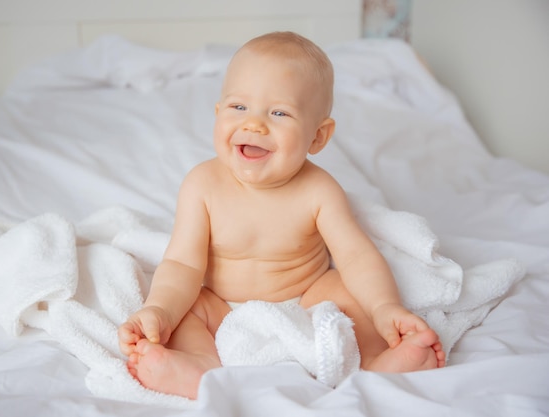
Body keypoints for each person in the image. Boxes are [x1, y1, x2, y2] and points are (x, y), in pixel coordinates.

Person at [118, 31, 446, 400]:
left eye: (279, 113)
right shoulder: (202, 185)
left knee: (344, 287)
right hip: (221, 306)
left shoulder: (319, 191)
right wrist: (159, 310)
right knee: (189, 306)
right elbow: (181, 264)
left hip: (305, 299)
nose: (254, 124)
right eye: (239, 107)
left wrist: (386, 308)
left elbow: (357, 256)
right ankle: (199, 367)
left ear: (318, 137)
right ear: (217, 113)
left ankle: (375, 359)